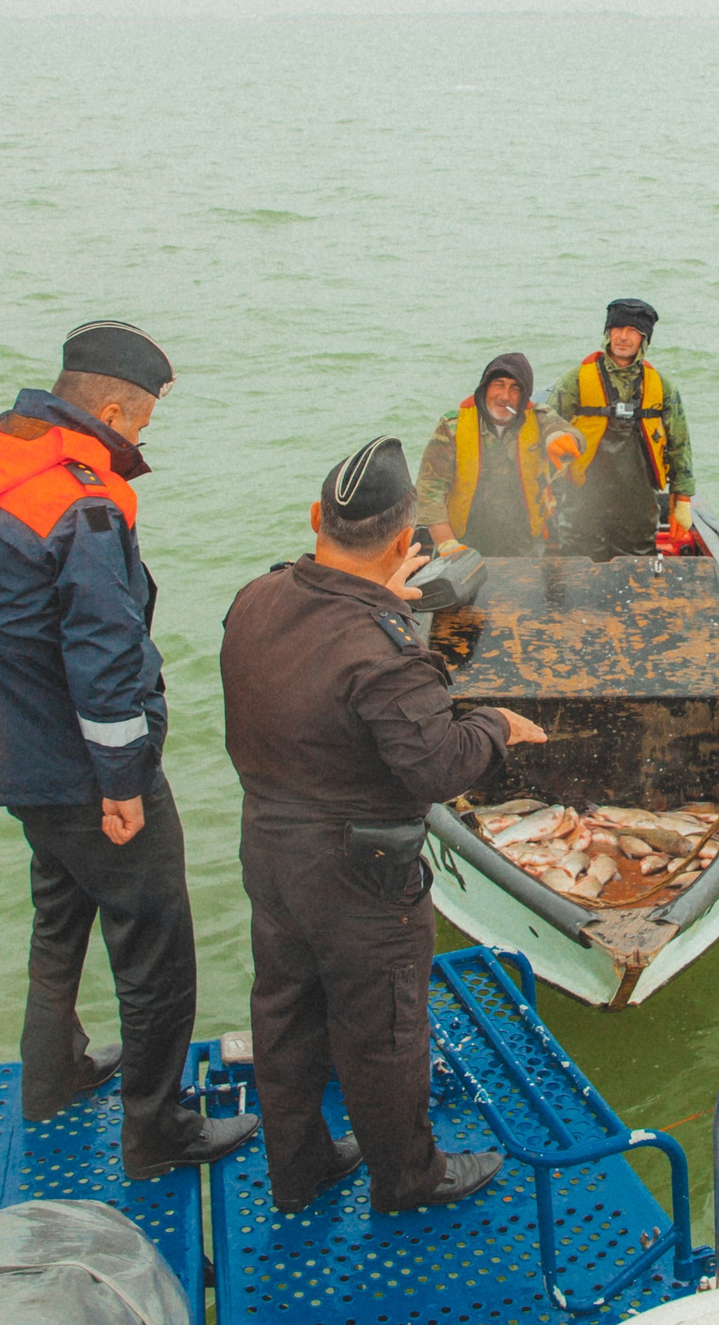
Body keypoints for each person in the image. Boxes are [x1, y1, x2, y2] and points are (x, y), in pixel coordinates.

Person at [0, 321, 256, 1181]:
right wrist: (123, 780)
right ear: (111, 408)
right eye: (143, 421)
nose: (142, 438)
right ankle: (155, 1130)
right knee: (156, 943)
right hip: (87, 768)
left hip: (13, 756)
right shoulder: (83, 505)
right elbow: (104, 658)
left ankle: (52, 1072)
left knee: (60, 912)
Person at [219, 437, 550, 1213]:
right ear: (406, 543)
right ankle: (406, 1177)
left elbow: (315, 659)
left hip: (269, 847)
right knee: (385, 1030)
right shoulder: (387, 647)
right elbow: (435, 766)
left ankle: (297, 1167)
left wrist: (381, 602)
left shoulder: (255, 598)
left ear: (315, 519)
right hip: (360, 871)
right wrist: (499, 723)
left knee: (285, 1010)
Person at [551, 297, 696, 558]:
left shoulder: (662, 387)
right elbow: (546, 426)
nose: (623, 337)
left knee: (636, 563)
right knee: (579, 560)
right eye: (617, 329)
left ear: (644, 340)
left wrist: (682, 497)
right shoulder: (575, 380)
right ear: (607, 334)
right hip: (583, 497)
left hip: (637, 502)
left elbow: (680, 444)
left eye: (633, 331)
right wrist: (543, 486)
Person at [413, 352, 580, 559]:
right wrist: (446, 543)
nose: (504, 396)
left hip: (524, 543)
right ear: (484, 388)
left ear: (525, 396)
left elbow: (568, 433)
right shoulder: (452, 425)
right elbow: (430, 488)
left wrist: (559, 437)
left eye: (515, 388)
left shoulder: (539, 417)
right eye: (498, 385)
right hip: (463, 542)